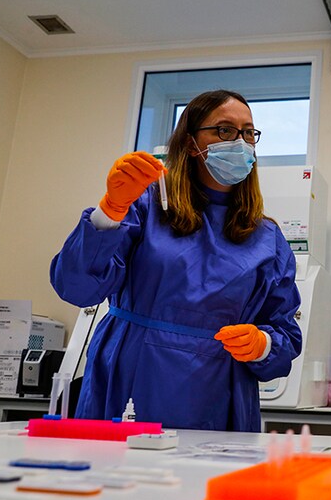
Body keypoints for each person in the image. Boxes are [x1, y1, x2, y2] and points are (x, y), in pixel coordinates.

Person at [51, 90, 302, 431]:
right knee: (118, 463)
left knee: (210, 466)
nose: (240, 143)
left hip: (219, 391)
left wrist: (263, 345)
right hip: (132, 377)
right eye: (225, 130)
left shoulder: (267, 238)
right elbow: (76, 288)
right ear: (189, 143)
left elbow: (285, 336)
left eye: (248, 133)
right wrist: (109, 211)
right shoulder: (147, 205)